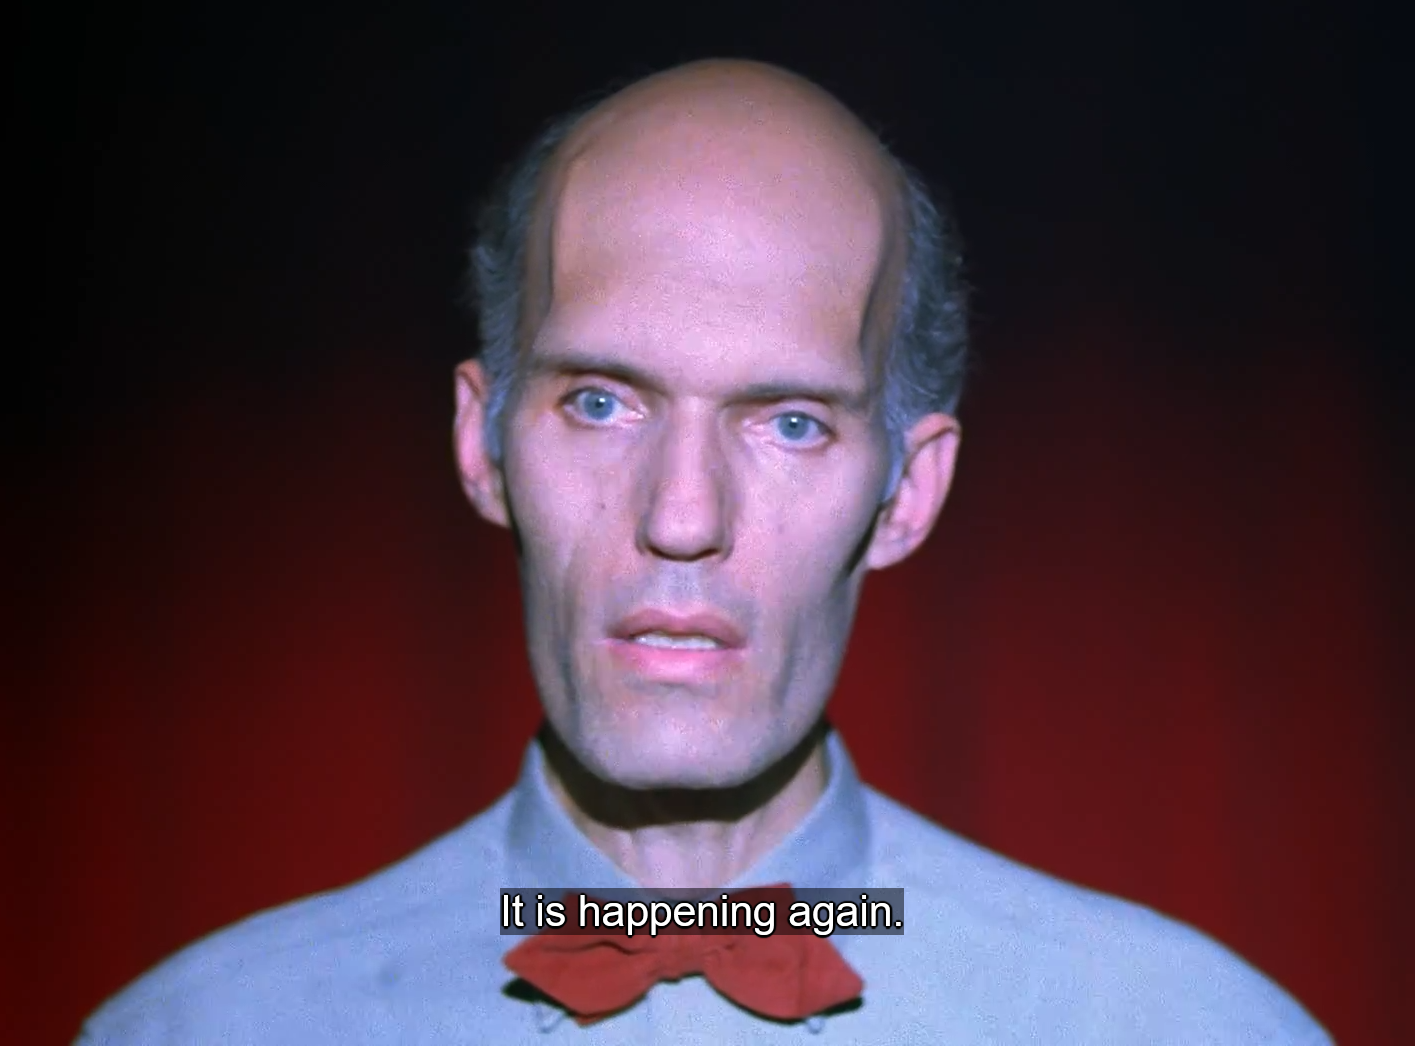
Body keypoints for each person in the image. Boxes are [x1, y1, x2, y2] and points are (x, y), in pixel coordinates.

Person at [78, 58, 1331, 1044]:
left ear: (905, 491)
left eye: (788, 422)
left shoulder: (1181, 1028)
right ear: (481, 443)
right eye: (599, 402)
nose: (681, 517)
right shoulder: (204, 1030)